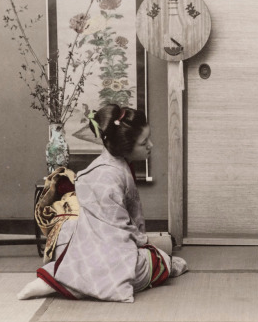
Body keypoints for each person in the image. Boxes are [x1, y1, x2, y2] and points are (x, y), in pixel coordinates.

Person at [18, 104, 187, 302]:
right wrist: (143, 243)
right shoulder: (109, 176)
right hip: (105, 245)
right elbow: (117, 230)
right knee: (157, 262)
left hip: (87, 242)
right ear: (125, 145)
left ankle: (62, 277)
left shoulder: (112, 165)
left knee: (147, 251)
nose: (151, 145)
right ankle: (59, 281)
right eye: (144, 142)